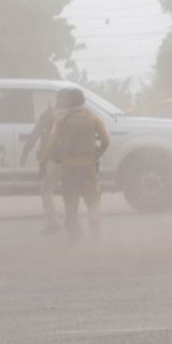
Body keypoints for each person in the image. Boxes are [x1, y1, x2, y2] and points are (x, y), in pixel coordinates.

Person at [42, 88, 110, 245]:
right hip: (88, 167)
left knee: (71, 203)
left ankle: (74, 237)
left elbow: (51, 143)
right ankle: (96, 237)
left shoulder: (62, 120)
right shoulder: (94, 119)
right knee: (93, 201)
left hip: (69, 169)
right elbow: (106, 141)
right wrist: (98, 153)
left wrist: (43, 162)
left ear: (69, 102)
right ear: (83, 101)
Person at [20, 90, 67, 234]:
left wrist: (24, 154)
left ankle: (53, 223)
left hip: (52, 160)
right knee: (71, 192)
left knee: (46, 191)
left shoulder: (47, 116)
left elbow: (34, 137)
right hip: (72, 160)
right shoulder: (77, 116)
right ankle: (74, 223)